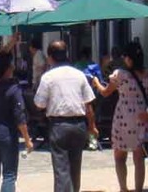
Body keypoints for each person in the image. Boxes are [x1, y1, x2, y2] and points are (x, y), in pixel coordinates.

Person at [35, 40, 98, 192]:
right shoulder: (80, 75)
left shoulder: (48, 77)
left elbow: (39, 104)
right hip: (79, 125)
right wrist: (92, 127)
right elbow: (88, 104)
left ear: (50, 57)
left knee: (61, 169)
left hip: (59, 125)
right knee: (75, 167)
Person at [93, 42, 148, 192]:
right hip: (143, 116)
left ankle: (123, 188)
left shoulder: (120, 75)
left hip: (124, 117)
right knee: (138, 157)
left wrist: (96, 82)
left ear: (128, 58)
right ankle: (139, 189)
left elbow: (105, 92)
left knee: (119, 155)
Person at [0, 49, 33, 192]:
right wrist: (27, 140)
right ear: (6, 69)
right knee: (9, 175)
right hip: (6, 135)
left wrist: (12, 43)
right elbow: (20, 116)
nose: (13, 67)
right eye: (10, 65)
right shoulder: (13, 88)